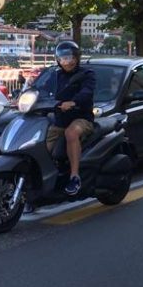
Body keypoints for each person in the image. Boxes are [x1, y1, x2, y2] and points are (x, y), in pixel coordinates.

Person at [48, 40, 96, 195]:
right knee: (39, 139)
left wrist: (73, 102)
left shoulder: (87, 74)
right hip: (59, 119)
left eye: (70, 58)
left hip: (82, 117)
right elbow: (40, 89)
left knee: (71, 133)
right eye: (63, 58)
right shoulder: (55, 76)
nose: (67, 62)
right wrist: (22, 98)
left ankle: (74, 176)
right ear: (58, 59)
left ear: (76, 58)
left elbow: (87, 92)